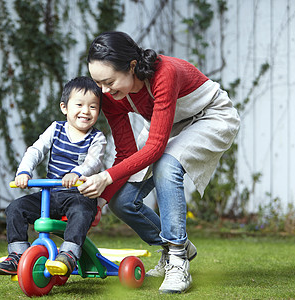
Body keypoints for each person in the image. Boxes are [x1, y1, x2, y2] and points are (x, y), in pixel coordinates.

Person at [78, 31, 240, 294]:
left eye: (108, 82)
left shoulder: (165, 73)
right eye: (99, 83)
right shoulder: (112, 97)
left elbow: (154, 149)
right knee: (123, 201)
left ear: (131, 66)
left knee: (166, 163)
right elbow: (126, 154)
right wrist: (100, 201)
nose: (104, 92)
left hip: (211, 116)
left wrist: (105, 177)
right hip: (168, 126)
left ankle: (177, 258)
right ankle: (175, 246)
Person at [0, 76, 107, 277]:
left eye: (93, 107)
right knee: (15, 208)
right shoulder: (56, 129)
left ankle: (69, 255)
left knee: (81, 211)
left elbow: (94, 162)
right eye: (79, 105)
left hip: (78, 195)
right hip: (51, 195)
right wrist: (24, 172)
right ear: (64, 107)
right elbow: (36, 150)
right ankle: (17, 255)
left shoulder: (96, 138)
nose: (86, 111)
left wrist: (77, 173)